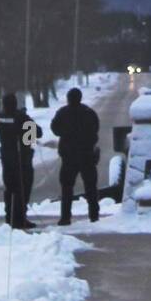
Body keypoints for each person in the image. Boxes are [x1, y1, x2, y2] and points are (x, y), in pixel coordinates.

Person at [50, 87, 100, 225]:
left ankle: (65, 217)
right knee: (90, 187)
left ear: (68, 99)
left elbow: (55, 129)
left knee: (67, 187)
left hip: (69, 156)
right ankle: (94, 215)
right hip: (87, 155)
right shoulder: (89, 113)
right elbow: (96, 129)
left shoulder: (62, 113)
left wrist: (67, 133)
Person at [0, 93, 41, 230]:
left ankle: (10, 217)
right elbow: (34, 135)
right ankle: (20, 218)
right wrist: (25, 120)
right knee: (23, 189)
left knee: (10, 189)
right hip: (22, 159)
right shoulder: (22, 118)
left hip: (6, 158)